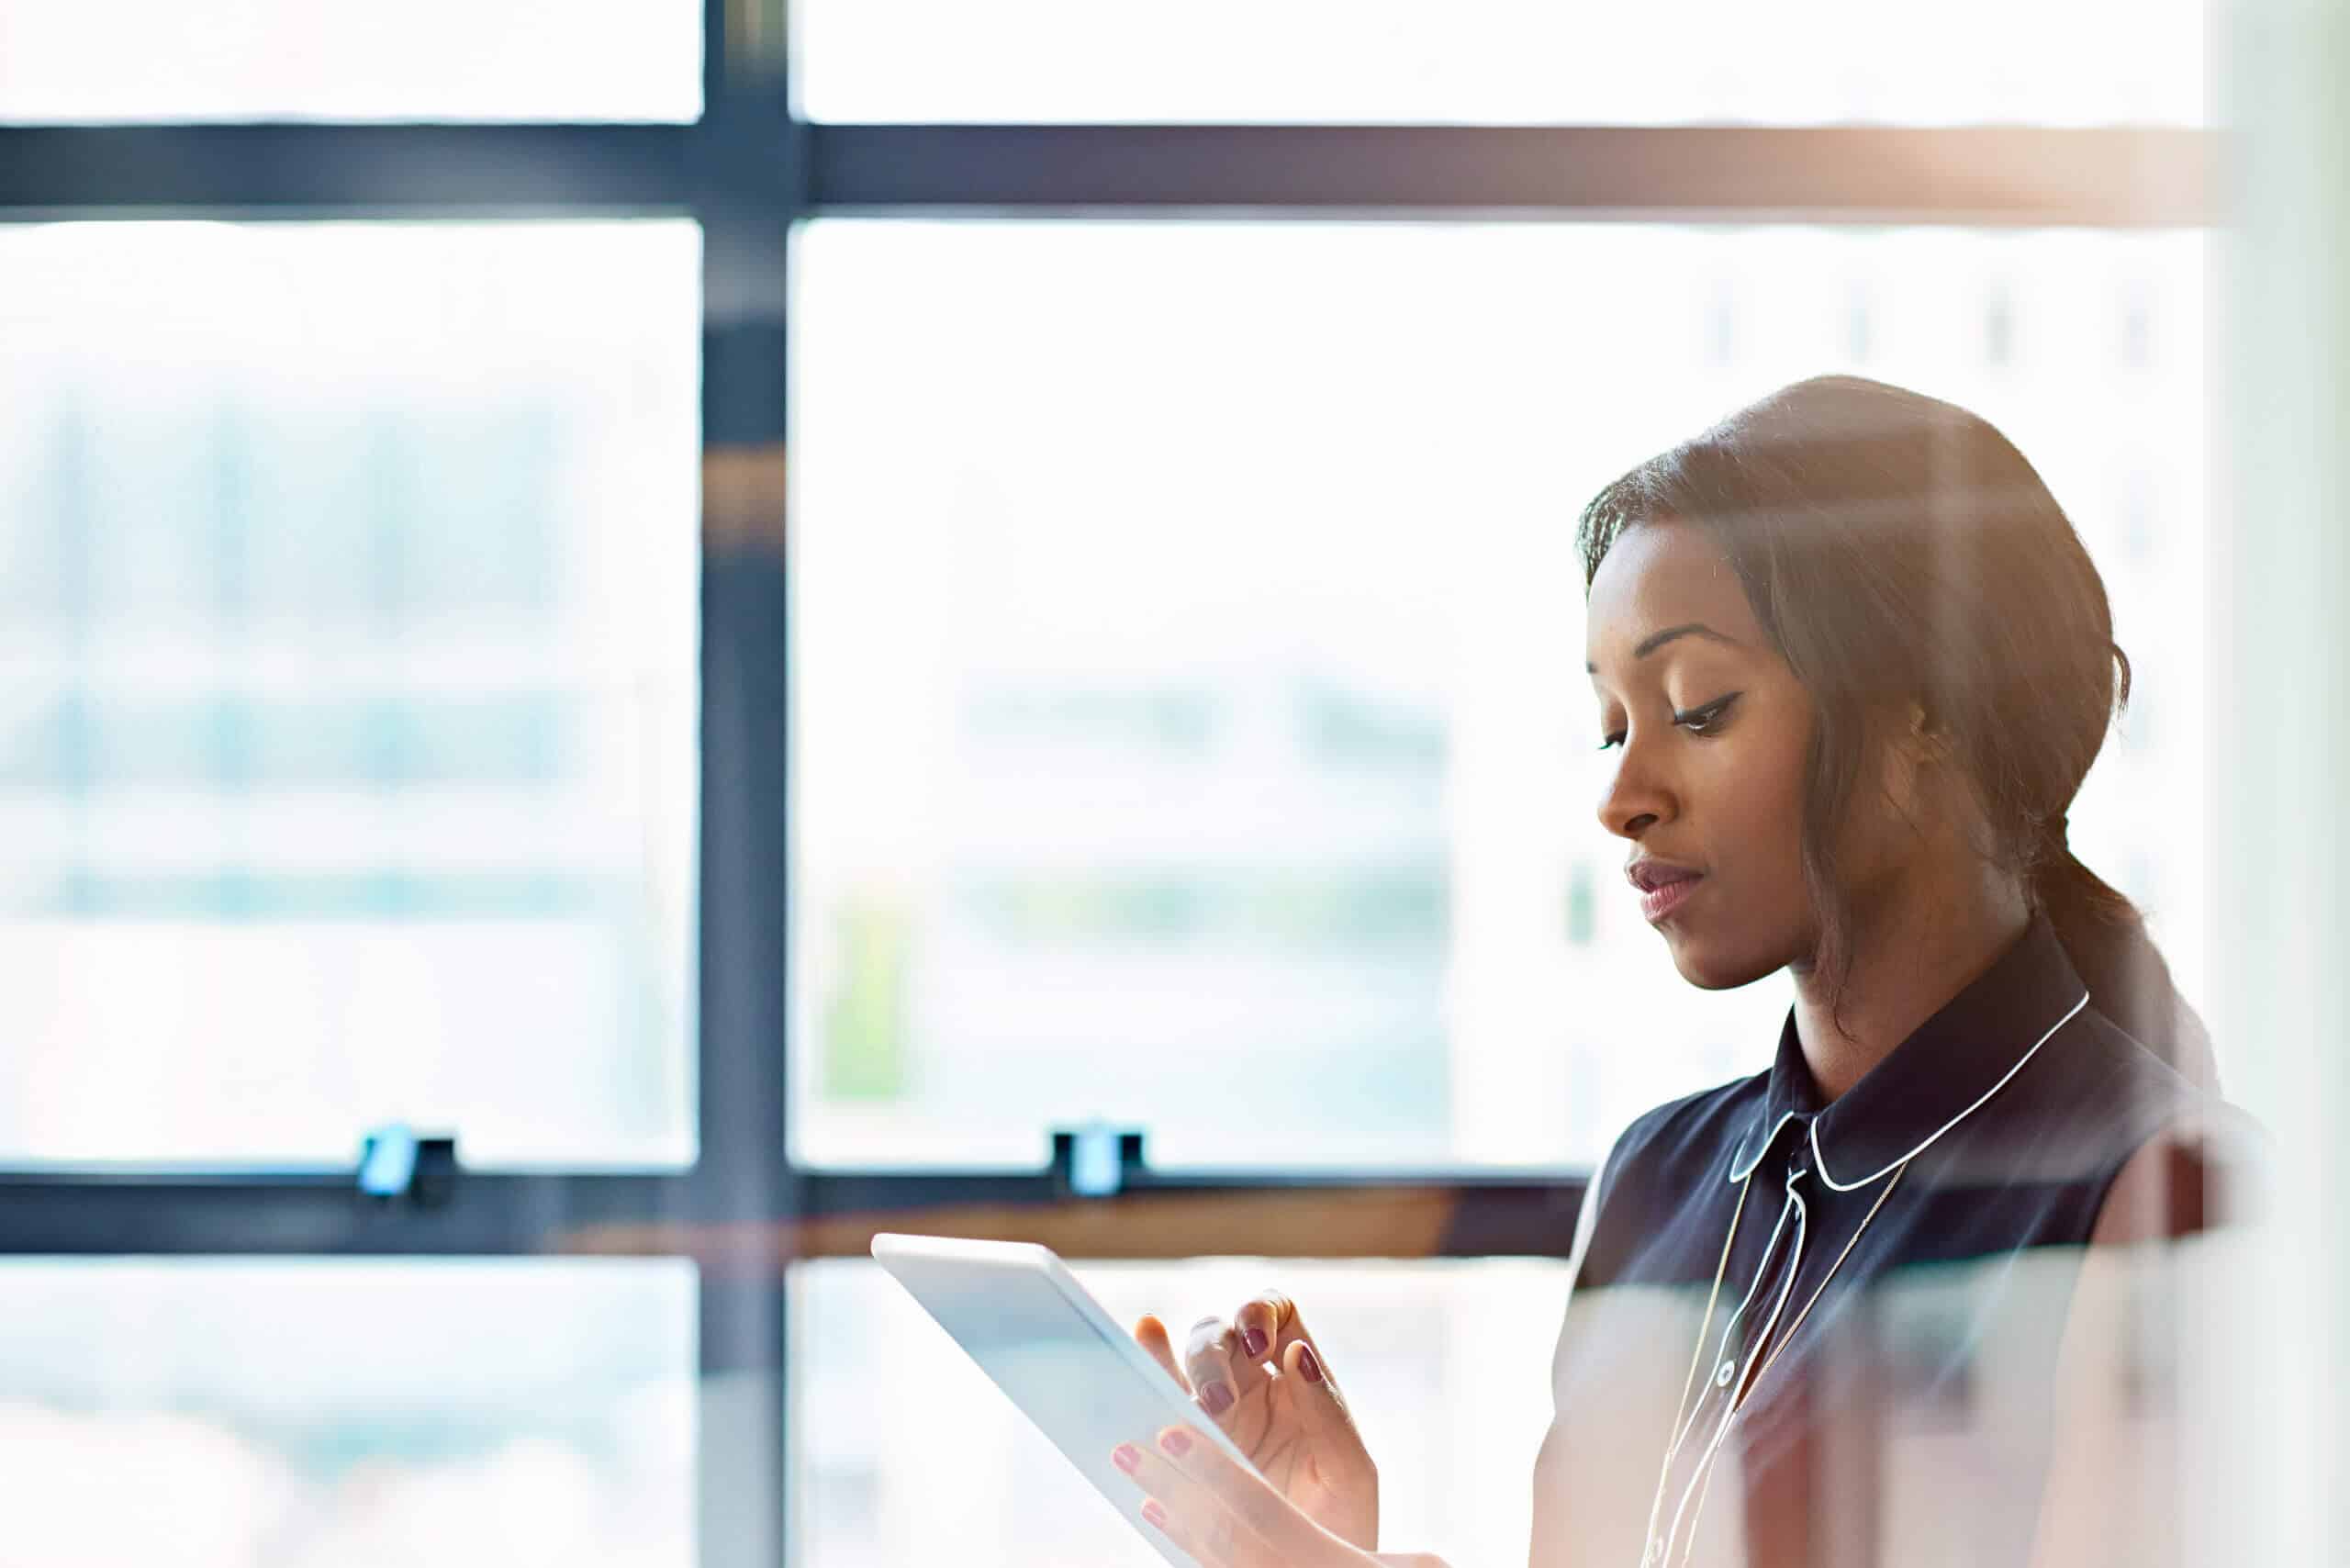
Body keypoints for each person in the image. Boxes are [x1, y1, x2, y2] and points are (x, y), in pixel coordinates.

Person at [1101, 375, 2255, 1568]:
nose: (1620, 796)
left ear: (1930, 717)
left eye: (1697, 709)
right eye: (1613, 725)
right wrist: (1332, 1537)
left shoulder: (2171, 1194)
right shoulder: (1654, 1180)